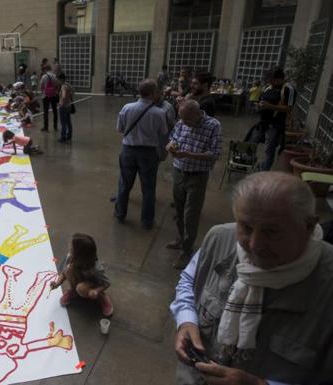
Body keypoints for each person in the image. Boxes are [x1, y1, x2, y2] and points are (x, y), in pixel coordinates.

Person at [170, 171, 333, 384]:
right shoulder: (219, 238)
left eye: (272, 232)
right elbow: (188, 281)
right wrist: (186, 320)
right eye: (246, 227)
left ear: (308, 227)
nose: (255, 245)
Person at [166, 100, 222, 269]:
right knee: (178, 209)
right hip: (179, 172)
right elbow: (173, 137)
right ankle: (181, 238)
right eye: (181, 119)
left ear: (197, 114)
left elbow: (215, 154)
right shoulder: (182, 121)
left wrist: (189, 155)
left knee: (191, 214)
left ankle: (186, 250)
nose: (184, 123)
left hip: (197, 176)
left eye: (187, 120)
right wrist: (171, 145)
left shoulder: (213, 126)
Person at [114, 79, 169, 229]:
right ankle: (146, 221)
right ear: (152, 93)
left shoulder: (127, 107)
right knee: (149, 188)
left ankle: (120, 214)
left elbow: (120, 129)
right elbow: (163, 133)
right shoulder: (159, 113)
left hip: (128, 150)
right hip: (148, 153)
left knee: (124, 184)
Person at [49, 233, 113, 317]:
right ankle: (74, 291)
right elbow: (64, 273)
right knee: (68, 269)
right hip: (80, 279)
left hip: (93, 285)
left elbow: (107, 283)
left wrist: (96, 291)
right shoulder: (70, 257)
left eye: (71, 248)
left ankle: (101, 297)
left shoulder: (95, 268)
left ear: (79, 255)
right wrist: (57, 284)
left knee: (81, 288)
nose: (69, 248)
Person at [257, 68, 295, 171]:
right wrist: (260, 106)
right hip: (264, 123)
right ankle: (262, 166)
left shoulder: (288, 89)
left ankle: (264, 171)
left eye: (272, 80)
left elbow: (289, 108)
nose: (270, 83)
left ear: (279, 79)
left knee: (270, 149)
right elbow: (262, 100)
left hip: (276, 124)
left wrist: (269, 106)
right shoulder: (269, 87)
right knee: (262, 145)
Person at [40, 65, 59, 132]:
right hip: (53, 95)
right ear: (50, 69)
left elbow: (41, 86)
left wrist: (43, 92)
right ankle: (55, 126)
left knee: (46, 112)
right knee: (55, 111)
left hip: (45, 96)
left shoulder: (44, 76)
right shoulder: (54, 76)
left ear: (45, 69)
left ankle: (46, 127)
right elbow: (57, 85)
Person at [57, 73, 74, 143]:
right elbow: (73, 91)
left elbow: (63, 96)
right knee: (68, 122)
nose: (58, 81)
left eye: (58, 79)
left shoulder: (63, 86)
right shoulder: (68, 85)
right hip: (68, 106)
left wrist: (61, 103)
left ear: (61, 79)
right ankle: (69, 135)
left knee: (63, 123)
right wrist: (69, 99)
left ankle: (63, 137)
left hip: (63, 107)